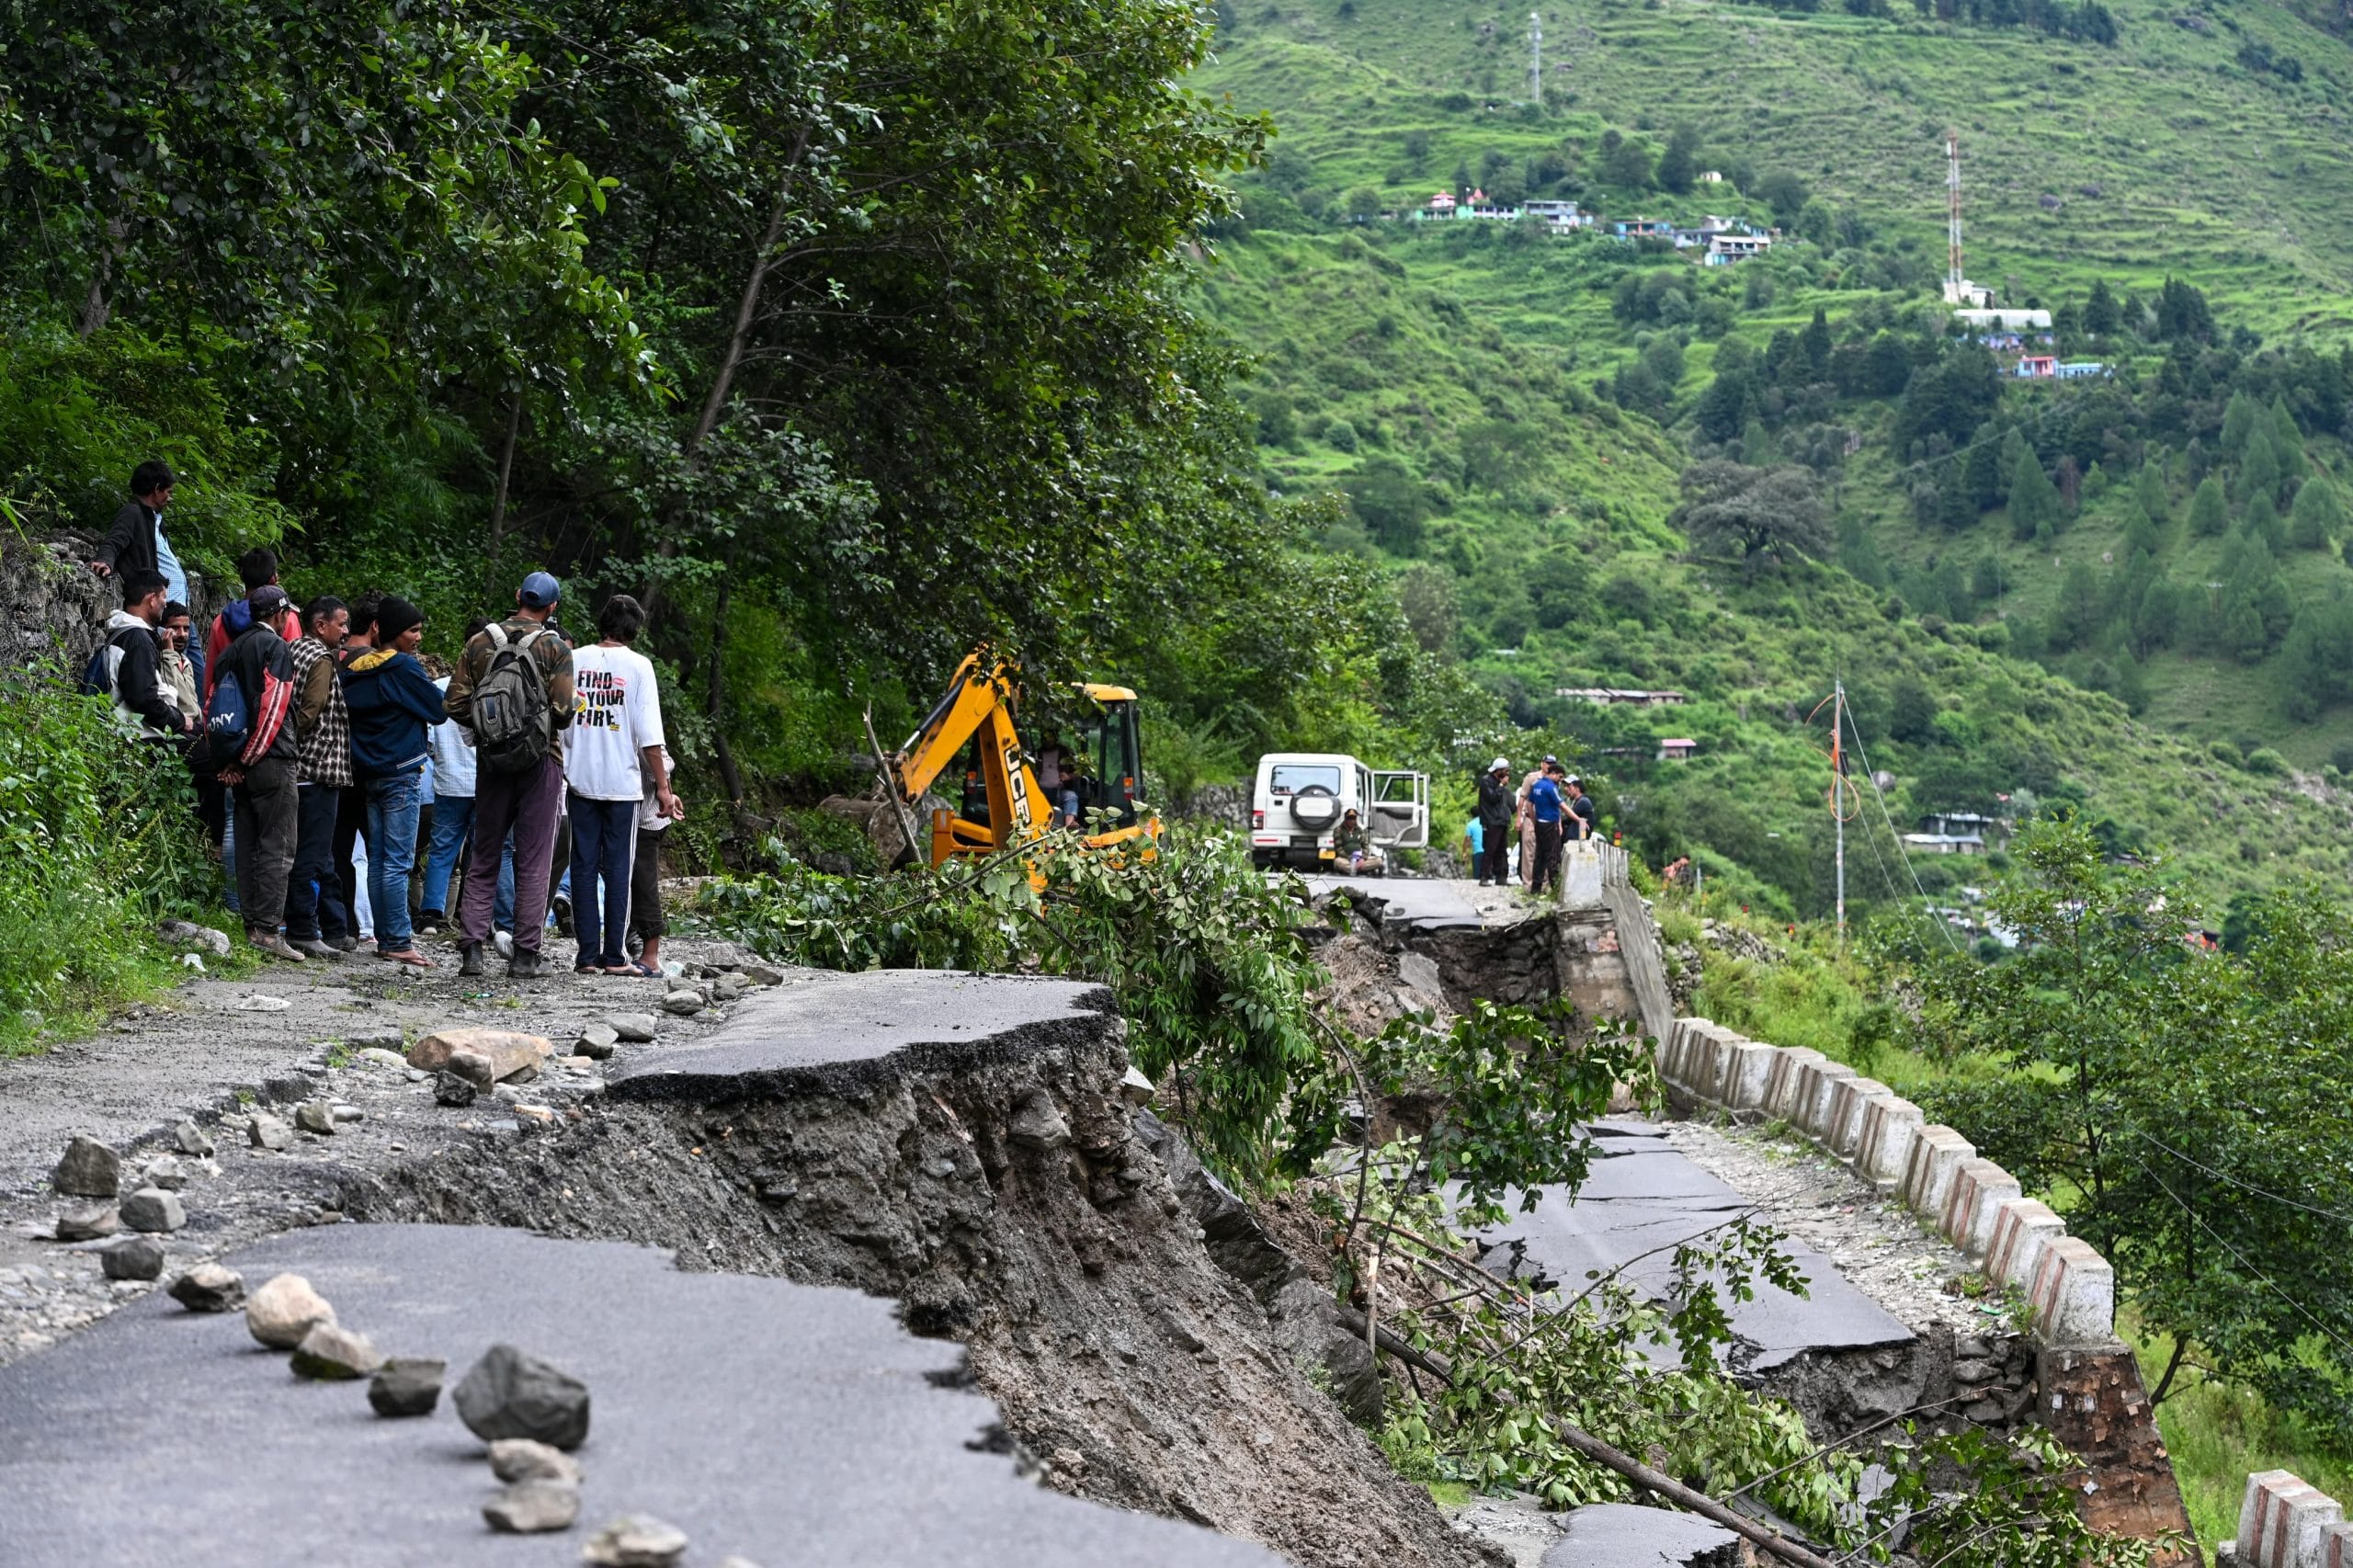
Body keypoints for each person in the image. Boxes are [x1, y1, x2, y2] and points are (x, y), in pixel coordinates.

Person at [445, 571, 575, 979]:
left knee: (484, 854)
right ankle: (523, 956)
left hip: (492, 762)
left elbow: (454, 703)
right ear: (552, 607)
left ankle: (471, 950)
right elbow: (564, 712)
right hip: (541, 762)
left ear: (518, 596)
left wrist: (492, 729)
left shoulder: (480, 642)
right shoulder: (555, 647)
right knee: (534, 859)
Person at [563, 594, 678, 974]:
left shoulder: (574, 659)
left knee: (581, 867)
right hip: (623, 787)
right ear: (634, 631)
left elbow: (560, 719)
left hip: (578, 781)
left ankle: (585, 957)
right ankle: (614, 956)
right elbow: (650, 737)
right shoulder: (640, 667)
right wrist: (663, 788)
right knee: (618, 869)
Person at [341, 597, 446, 968]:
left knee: (379, 859)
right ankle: (399, 939)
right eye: (413, 631)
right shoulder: (402, 668)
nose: (418, 637)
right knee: (398, 862)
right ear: (392, 633)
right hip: (401, 774)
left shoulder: (352, 669)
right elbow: (439, 709)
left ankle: (387, 937)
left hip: (367, 775)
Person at [214, 585, 302, 960]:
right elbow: (273, 709)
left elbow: (213, 709)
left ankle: (251, 925)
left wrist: (229, 762)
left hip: (239, 764)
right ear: (280, 615)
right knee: (278, 847)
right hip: (271, 760)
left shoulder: (229, 652)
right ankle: (267, 931)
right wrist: (250, 757)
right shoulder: (275, 648)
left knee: (248, 847)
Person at [283, 596, 357, 958]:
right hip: (318, 769)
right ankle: (302, 929)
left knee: (318, 854)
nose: (346, 631)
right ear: (320, 625)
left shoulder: (292, 649)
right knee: (311, 855)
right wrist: (295, 742)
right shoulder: (322, 658)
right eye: (341, 624)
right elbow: (309, 712)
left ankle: (333, 929)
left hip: (298, 770)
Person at [85, 569, 192, 743]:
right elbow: (143, 698)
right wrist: (178, 720)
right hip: (132, 736)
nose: (165, 604)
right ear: (152, 599)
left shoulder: (121, 633)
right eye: (163, 597)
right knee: (204, 753)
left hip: (122, 729)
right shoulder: (137, 639)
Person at [202, 546, 302, 701]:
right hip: (270, 708)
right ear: (274, 579)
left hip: (230, 709)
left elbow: (211, 676)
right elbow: (295, 670)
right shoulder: (285, 618)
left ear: (242, 576)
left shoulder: (221, 621)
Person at [89, 460, 188, 608]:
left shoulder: (156, 521)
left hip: (175, 611)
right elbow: (114, 541)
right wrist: (104, 560)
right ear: (157, 489)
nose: (170, 498)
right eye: (168, 492)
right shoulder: (132, 513)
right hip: (158, 609)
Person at [629, 744, 682, 974]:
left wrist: (664, 789)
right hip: (645, 812)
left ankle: (651, 955)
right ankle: (632, 941)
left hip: (646, 816)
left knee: (643, 884)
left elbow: (656, 753)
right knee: (631, 881)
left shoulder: (641, 709)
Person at [157, 602, 202, 728]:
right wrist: (168, 653)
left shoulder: (186, 662)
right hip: (178, 728)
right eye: (175, 628)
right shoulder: (159, 660)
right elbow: (169, 694)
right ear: (162, 630)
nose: (182, 634)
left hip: (195, 725)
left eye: (186, 629)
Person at [1526, 763, 1566, 896]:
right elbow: (1561, 806)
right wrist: (1578, 819)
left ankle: (1535, 889)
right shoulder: (1551, 787)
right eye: (1560, 777)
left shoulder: (1536, 785)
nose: (1560, 780)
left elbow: (1529, 804)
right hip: (1550, 825)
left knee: (1540, 857)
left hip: (1540, 825)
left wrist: (1534, 820)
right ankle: (1555, 890)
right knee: (1553, 856)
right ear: (1553, 774)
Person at [1476, 756, 1515, 887]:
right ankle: (1484, 876)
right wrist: (1501, 785)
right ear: (1498, 770)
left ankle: (1501, 877)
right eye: (1505, 771)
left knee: (1502, 850)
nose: (1507, 774)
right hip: (1491, 821)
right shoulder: (1486, 781)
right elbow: (1492, 798)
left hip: (1502, 820)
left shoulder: (1501, 784)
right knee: (1490, 849)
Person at [1333, 807, 1376, 874]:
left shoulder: (1360, 830)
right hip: (1345, 859)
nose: (1352, 821)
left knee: (1378, 861)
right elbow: (1338, 848)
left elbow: (1365, 846)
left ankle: (1356, 868)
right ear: (1346, 819)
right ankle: (1356, 869)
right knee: (1337, 862)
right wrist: (1349, 857)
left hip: (1360, 858)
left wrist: (1363, 858)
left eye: (1353, 818)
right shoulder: (1339, 830)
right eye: (1349, 819)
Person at [1564, 774, 1598, 842]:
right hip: (1578, 838)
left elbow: (1567, 818)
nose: (1567, 789)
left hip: (1578, 839)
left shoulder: (1583, 801)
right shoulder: (1576, 801)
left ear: (1577, 788)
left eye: (1570, 787)